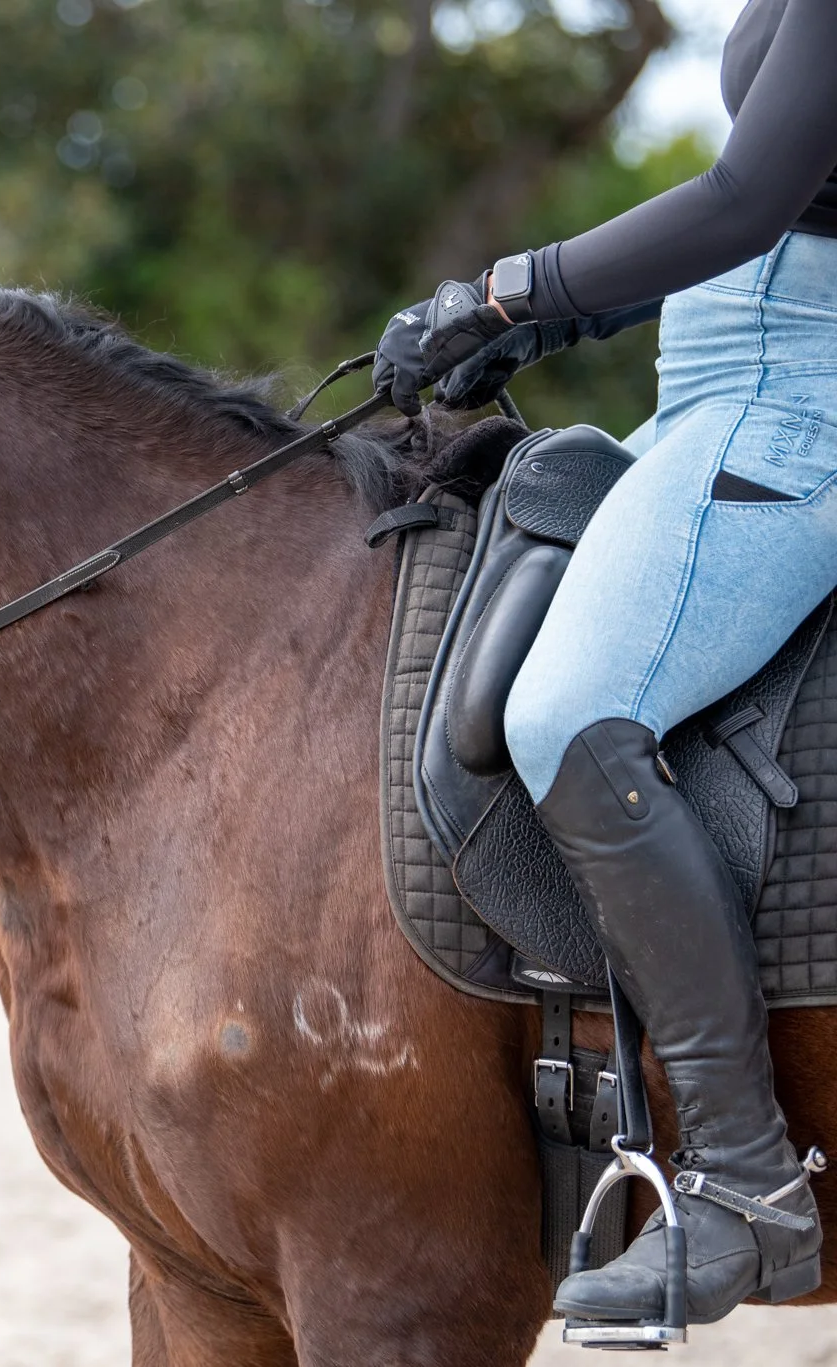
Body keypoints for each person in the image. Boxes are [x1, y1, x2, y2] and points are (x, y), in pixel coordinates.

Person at [374, 0, 837, 1328]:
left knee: (575, 707)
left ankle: (746, 1184)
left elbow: (751, 196)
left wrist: (516, 285)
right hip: (717, 388)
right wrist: (557, 325)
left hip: (795, 407)